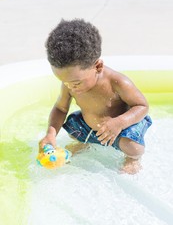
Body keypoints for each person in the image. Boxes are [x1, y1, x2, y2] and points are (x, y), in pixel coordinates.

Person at [39, 19, 152, 174]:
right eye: (64, 81)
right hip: (93, 127)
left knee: (133, 147)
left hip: (120, 129)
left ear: (97, 67)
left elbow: (142, 106)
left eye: (76, 82)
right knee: (73, 128)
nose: (70, 87)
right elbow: (60, 108)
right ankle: (87, 142)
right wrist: (51, 134)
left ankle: (133, 159)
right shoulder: (69, 82)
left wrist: (119, 122)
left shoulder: (118, 82)